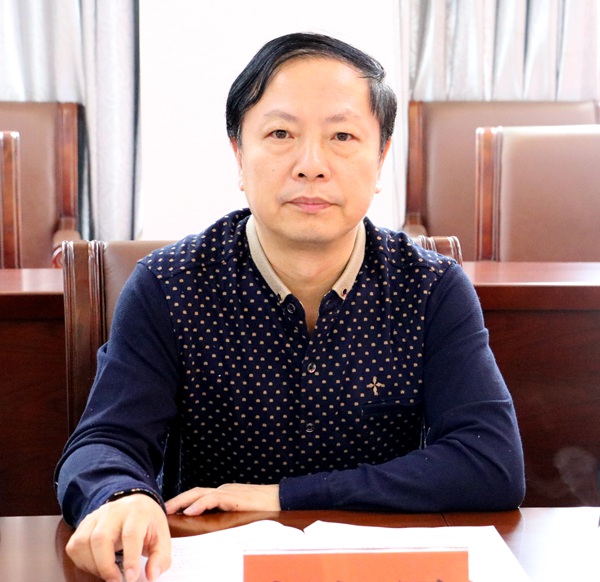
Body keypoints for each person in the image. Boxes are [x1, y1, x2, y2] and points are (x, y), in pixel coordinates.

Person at [55, 32, 525, 582]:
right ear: (238, 155)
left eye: (342, 136)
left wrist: (284, 495)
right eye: (281, 133)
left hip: (377, 568)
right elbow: (103, 443)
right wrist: (122, 495)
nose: (311, 165)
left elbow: (490, 463)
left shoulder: (429, 288)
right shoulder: (170, 285)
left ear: (381, 159)